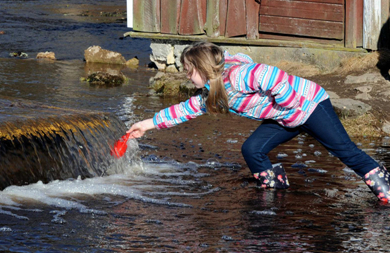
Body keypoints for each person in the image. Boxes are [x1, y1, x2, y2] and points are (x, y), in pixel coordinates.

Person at [127, 41, 389, 202]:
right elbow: (184, 111)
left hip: (309, 106)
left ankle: (385, 190)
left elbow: (274, 77)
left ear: (203, 68)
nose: (186, 77)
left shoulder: (240, 75)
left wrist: (288, 107)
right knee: (252, 149)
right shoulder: (211, 92)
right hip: (284, 118)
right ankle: (276, 193)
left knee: (343, 151)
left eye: (188, 71)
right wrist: (147, 124)